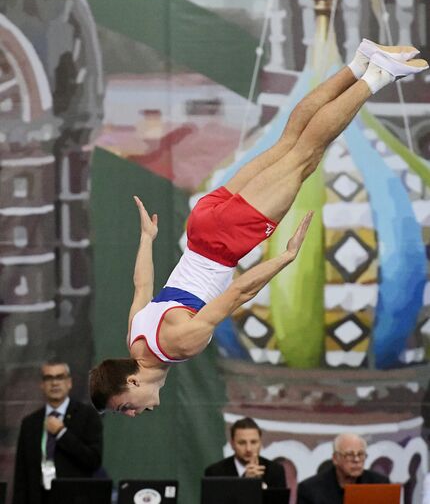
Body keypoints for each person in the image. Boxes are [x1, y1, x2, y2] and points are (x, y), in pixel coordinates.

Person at [89, 39, 428, 417]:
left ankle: (377, 77)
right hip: (203, 225)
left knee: (305, 157)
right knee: (289, 142)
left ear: (132, 382)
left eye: (125, 408)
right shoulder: (134, 336)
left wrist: (285, 257)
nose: (133, 414)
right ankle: (357, 64)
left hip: (227, 240)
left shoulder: (181, 345)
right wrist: (147, 240)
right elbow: (141, 285)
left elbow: (237, 292)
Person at [12, 361, 103, 504]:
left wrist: (61, 433)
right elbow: (21, 474)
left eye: (60, 377)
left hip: (74, 498)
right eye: (49, 378)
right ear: (41, 384)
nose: (54, 383)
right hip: (38, 497)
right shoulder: (30, 422)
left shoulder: (87, 416)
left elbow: (93, 461)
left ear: (69, 383)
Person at [297, 433, 390, 504]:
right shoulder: (310, 490)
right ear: (335, 458)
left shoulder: (380, 485)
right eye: (349, 455)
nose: (356, 460)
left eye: (360, 454)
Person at [204, 417, 286, 488]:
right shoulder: (215, 473)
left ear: (260, 443)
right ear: (232, 444)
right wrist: (245, 483)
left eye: (253, 442)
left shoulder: (275, 471)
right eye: (242, 443)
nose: (248, 449)